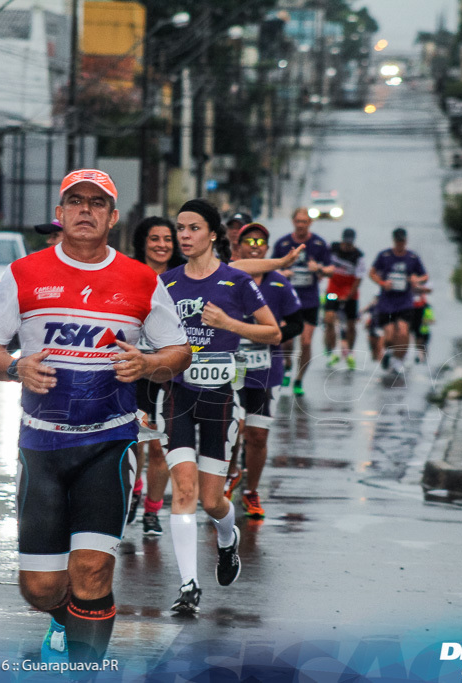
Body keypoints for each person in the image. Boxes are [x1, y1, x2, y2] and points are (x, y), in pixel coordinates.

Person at [0, 169, 190, 663]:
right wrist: (13, 366)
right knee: (40, 587)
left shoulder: (141, 279)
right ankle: (60, 613)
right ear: (60, 213)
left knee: (92, 570)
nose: (85, 210)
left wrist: (151, 363)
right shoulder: (24, 273)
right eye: (75, 201)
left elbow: (179, 350)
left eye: (97, 203)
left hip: (109, 444)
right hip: (42, 446)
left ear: (113, 217)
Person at [160, 199, 281, 614]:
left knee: (212, 501)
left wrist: (229, 324)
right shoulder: (168, 283)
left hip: (219, 399)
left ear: (213, 234)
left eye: (193, 228)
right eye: (180, 228)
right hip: (178, 394)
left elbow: (273, 332)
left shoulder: (235, 282)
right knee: (184, 491)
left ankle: (227, 541)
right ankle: (189, 585)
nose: (185, 236)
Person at [224, 222, 304, 519]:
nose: (255, 245)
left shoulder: (280, 284)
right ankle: (231, 473)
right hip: (230, 369)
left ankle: (251, 491)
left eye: (261, 242)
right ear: (239, 246)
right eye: (249, 241)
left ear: (267, 249)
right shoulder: (227, 277)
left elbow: (298, 322)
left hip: (264, 369)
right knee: (235, 428)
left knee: (257, 435)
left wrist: (271, 332)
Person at [129, 216, 186, 537]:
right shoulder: (128, 273)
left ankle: (153, 511)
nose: (162, 245)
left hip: (170, 371)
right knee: (136, 437)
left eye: (167, 238)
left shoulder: (183, 277)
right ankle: (135, 489)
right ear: (143, 242)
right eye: (154, 239)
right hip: (136, 368)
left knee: (160, 445)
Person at [271, 207, 333, 396]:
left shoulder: (319, 243)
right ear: (293, 222)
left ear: (310, 223)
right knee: (286, 341)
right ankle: (287, 364)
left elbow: (331, 269)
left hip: (309, 301)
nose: (300, 225)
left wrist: (319, 268)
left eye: (304, 222)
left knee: (306, 342)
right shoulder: (283, 243)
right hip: (286, 301)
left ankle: (299, 380)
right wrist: (282, 272)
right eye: (298, 221)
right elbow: (271, 267)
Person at [369, 227, 428, 377]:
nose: (400, 243)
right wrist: (382, 283)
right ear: (394, 241)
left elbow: (425, 276)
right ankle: (389, 352)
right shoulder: (385, 256)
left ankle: (398, 361)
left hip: (405, 302)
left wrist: (417, 280)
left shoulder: (412, 258)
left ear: (405, 241)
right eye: (398, 241)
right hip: (387, 302)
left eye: (402, 241)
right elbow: (372, 273)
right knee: (389, 336)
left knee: (403, 331)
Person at [323, 227, 366, 370]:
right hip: (333, 291)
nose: (347, 246)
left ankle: (350, 352)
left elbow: (359, 278)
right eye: (345, 243)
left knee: (351, 325)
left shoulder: (358, 256)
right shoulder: (333, 248)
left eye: (350, 244)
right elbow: (323, 260)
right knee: (329, 319)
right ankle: (332, 351)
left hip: (350, 293)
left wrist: (348, 295)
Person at [411, 291, 434, 364]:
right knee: (418, 343)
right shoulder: (410, 306)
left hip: (423, 330)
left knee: (422, 344)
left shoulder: (426, 307)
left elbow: (431, 320)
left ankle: (422, 359)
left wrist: (425, 321)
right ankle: (419, 358)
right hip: (416, 329)